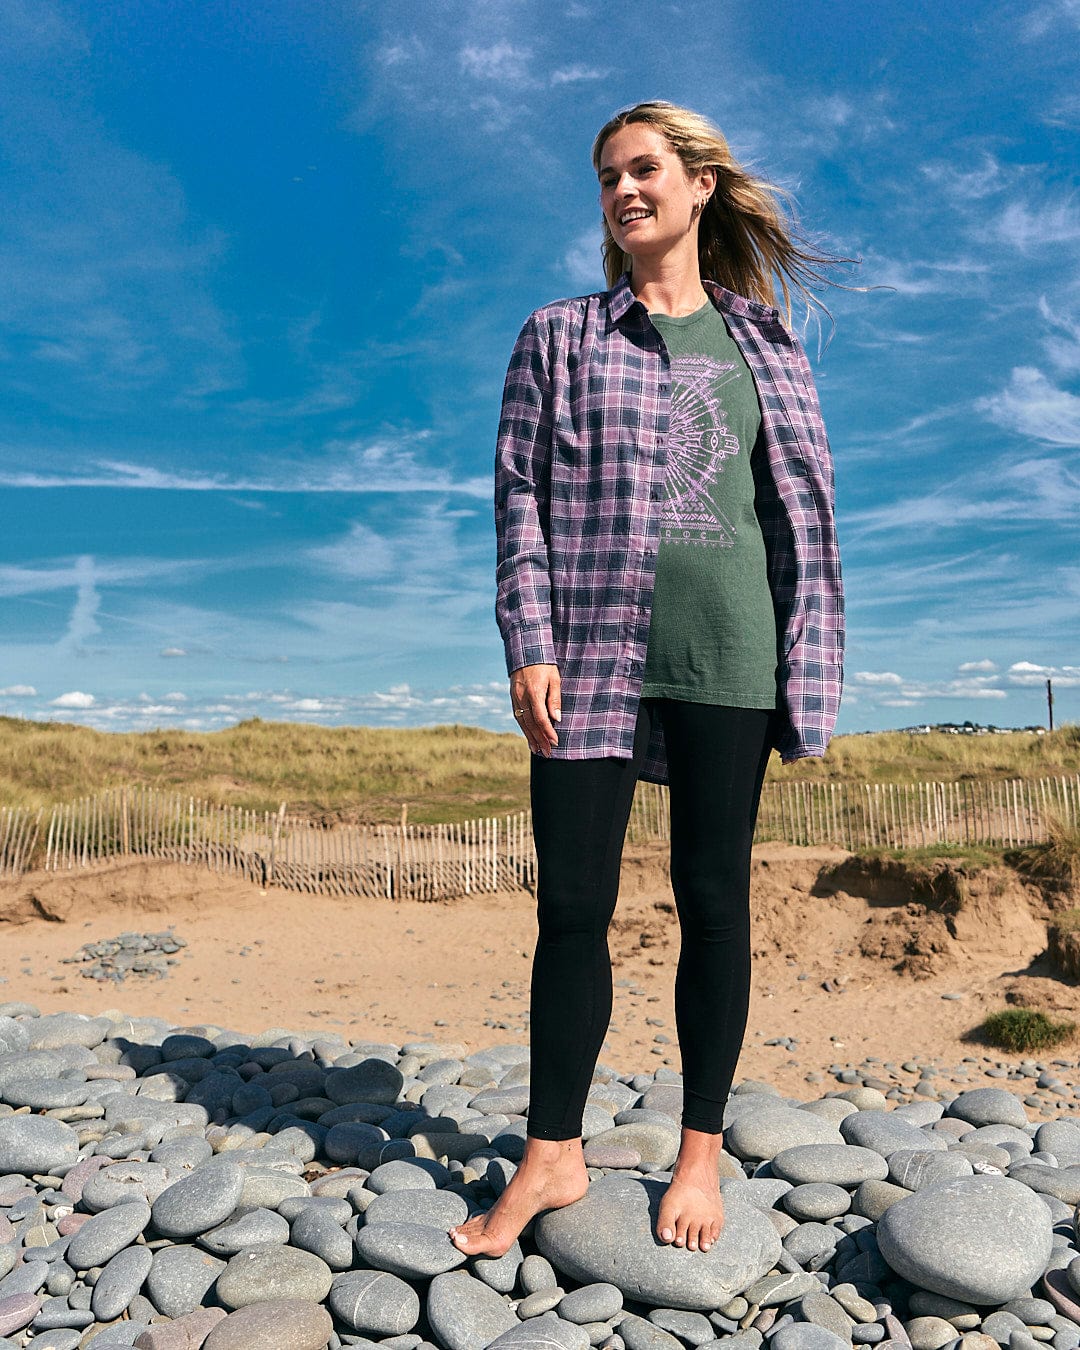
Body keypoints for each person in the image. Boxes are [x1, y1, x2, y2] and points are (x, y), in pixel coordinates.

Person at [449, 101, 844, 1258]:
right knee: (571, 906)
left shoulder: (763, 342)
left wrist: (806, 660)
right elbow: (517, 493)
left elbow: (801, 514)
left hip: (729, 650)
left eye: (645, 170)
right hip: (593, 652)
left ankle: (700, 1153)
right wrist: (529, 637)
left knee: (713, 903)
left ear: (701, 184)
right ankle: (553, 1154)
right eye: (608, 177)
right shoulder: (560, 335)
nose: (624, 191)